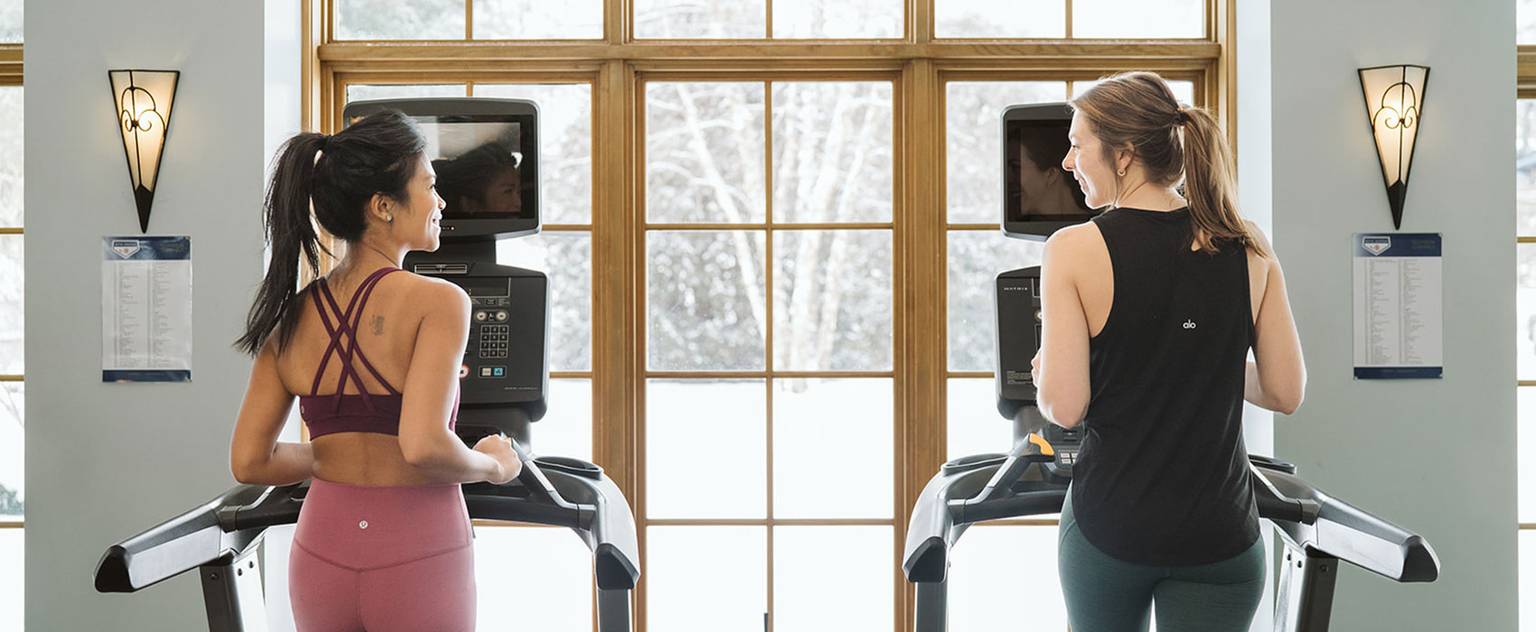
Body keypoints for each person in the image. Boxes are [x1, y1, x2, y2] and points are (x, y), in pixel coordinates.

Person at [1029, 71, 1306, 631]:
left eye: (1077, 144)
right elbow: (1284, 391)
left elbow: (1064, 407)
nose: (1066, 161)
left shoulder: (1074, 248)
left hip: (1113, 528)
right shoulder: (1247, 243)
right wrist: (1211, 359)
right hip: (1221, 534)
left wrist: (1045, 373)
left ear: (1124, 155)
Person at [228, 110, 523, 632]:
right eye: (430, 185)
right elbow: (424, 446)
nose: (441, 201)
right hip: (419, 555)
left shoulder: (291, 317)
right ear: (384, 206)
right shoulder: (440, 302)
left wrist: (331, 451)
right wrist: (495, 464)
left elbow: (250, 461)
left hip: (320, 553)